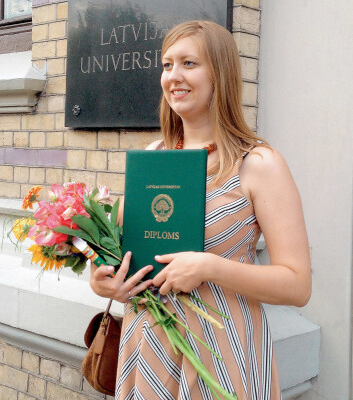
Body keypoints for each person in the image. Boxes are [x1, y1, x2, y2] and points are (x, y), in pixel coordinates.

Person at [90, 20, 312, 400]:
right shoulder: (152, 160)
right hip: (149, 347)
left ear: (220, 74)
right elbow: (127, 254)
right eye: (166, 65)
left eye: (189, 63)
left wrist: (210, 267)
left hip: (220, 351)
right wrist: (103, 280)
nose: (174, 76)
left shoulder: (258, 163)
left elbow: (297, 285)